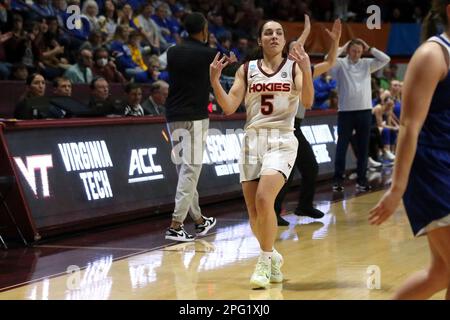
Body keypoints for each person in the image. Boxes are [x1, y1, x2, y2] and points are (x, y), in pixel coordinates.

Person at [210, 20, 314, 288]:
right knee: (254, 212)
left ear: (283, 39)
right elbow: (230, 106)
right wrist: (214, 82)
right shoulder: (247, 69)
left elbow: (308, 101)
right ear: (260, 40)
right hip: (252, 140)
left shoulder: (293, 68)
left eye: (279, 32)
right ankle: (273, 255)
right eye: (268, 32)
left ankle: (264, 260)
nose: (274, 36)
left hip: (282, 139)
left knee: (265, 198)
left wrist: (306, 70)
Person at [369, 0, 450, 300]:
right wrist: (396, 188)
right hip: (432, 169)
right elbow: (408, 126)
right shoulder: (432, 54)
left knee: (441, 272)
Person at [164, 12, 230, 242]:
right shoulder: (209, 54)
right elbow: (230, 65)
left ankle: (200, 220)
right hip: (196, 117)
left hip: (173, 116)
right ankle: (176, 225)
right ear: (204, 30)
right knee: (190, 170)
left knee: (184, 170)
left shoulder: (172, 52)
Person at [274, 16, 342, 226]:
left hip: (296, 126)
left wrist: (335, 40)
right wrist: (305, 33)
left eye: (302, 49)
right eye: (296, 48)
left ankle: (303, 206)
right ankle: (274, 212)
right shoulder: (282, 68)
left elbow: (331, 62)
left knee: (308, 168)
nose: (300, 51)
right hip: (283, 126)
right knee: (288, 172)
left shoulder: (306, 70)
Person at [330, 38, 391, 192]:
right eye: (353, 50)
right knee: (341, 147)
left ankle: (362, 181)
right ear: (348, 51)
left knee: (364, 148)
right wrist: (342, 46)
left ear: (362, 51)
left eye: (359, 51)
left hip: (364, 111)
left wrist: (370, 47)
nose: (356, 53)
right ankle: (337, 180)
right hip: (345, 112)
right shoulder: (340, 63)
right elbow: (328, 59)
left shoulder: (367, 64)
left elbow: (386, 59)